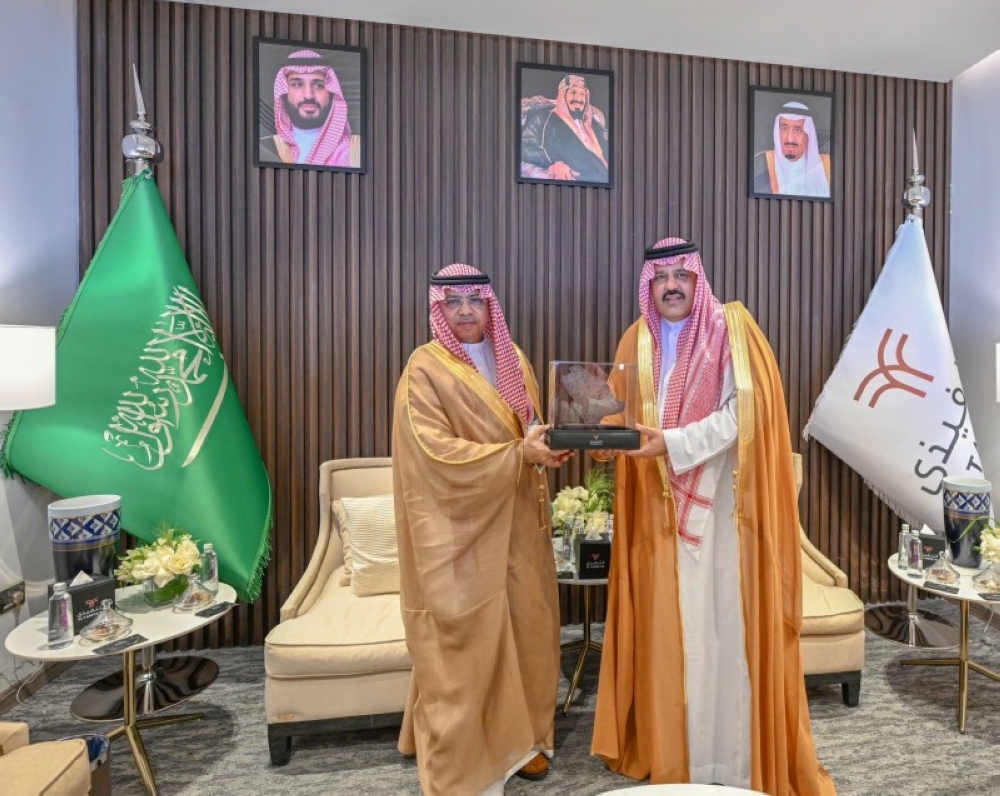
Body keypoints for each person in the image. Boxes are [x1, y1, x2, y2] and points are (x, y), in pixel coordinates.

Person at [591, 238, 836, 795]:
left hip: (726, 515)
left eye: (681, 275)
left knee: (725, 632)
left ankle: (731, 766)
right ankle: (676, 758)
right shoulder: (636, 340)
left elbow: (743, 415)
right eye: (660, 277)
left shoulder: (732, 330)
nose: (671, 286)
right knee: (672, 637)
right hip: (658, 518)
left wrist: (673, 443)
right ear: (649, 285)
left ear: (697, 279)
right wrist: (594, 437)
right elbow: (617, 414)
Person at [392, 264, 571, 795]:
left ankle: (527, 740)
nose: (466, 311)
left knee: (529, 628)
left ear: (490, 304)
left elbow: (528, 424)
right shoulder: (424, 369)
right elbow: (435, 454)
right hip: (463, 532)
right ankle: (472, 758)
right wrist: (519, 454)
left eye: (475, 300)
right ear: (439, 310)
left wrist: (546, 446)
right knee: (468, 645)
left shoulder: (513, 357)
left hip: (520, 523)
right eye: (454, 302)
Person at [259, 49, 360, 167]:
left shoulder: (356, 151)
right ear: (284, 92)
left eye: (318, 85)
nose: (308, 95)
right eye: (297, 85)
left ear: (331, 93)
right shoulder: (265, 148)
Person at [520, 73, 609, 183]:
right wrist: (553, 163)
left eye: (582, 94)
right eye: (573, 92)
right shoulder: (544, 117)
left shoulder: (595, 124)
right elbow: (524, 145)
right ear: (563, 95)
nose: (578, 99)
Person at [752, 100, 831, 197]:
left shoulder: (825, 166)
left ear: (808, 135)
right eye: (784, 129)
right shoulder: (760, 163)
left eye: (798, 130)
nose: (789, 138)